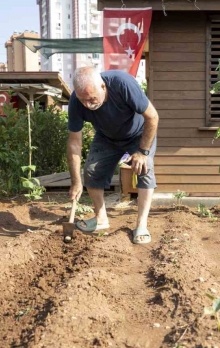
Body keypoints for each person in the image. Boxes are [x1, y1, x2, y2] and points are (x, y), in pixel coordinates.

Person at [66, 67, 159, 245]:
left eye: (92, 99)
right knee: (92, 171)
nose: (88, 105)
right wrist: (76, 181)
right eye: (83, 100)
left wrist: (143, 152)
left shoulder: (122, 84)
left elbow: (153, 117)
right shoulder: (76, 102)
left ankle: (141, 225)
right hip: (107, 136)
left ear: (103, 86)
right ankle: (101, 218)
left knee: (144, 169)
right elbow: (74, 143)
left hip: (138, 134)